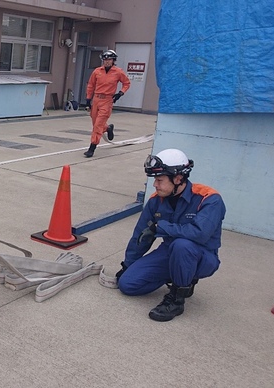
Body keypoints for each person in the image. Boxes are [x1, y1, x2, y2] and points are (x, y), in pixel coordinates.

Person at [116, 149, 226, 322]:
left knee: (182, 245)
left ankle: (176, 299)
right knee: (127, 284)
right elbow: (141, 235)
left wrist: (162, 227)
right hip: (169, 252)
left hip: (202, 256)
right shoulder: (155, 200)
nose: (155, 185)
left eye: (159, 180)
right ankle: (178, 274)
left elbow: (200, 234)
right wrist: (127, 265)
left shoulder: (209, 199)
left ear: (178, 178)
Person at [84, 49, 130, 157]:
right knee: (95, 123)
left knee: (98, 125)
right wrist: (88, 100)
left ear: (113, 60)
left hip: (107, 100)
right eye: (105, 60)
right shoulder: (97, 71)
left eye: (109, 59)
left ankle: (92, 147)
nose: (107, 61)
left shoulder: (118, 72)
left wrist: (120, 93)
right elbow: (90, 85)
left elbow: (126, 83)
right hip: (96, 99)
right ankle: (108, 128)